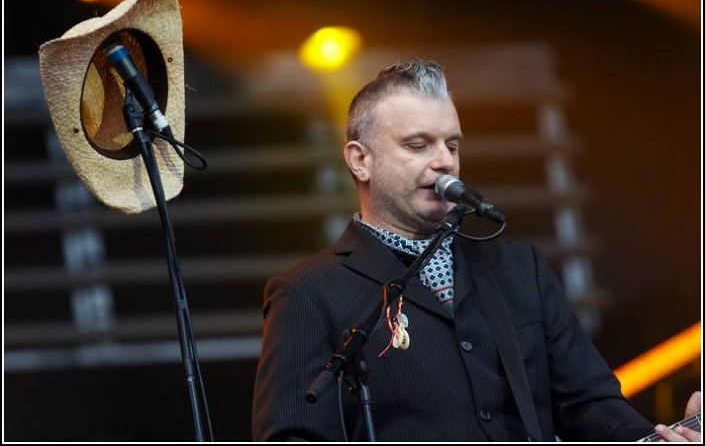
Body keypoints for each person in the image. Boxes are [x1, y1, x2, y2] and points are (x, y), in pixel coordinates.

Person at [251, 60, 701, 441]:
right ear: (359, 159)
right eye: (417, 144)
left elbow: (590, 404)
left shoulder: (520, 268)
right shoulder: (308, 291)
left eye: (452, 144)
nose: (445, 160)